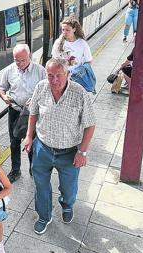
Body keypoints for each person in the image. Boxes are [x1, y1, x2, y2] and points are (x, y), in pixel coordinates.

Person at [23, 58, 96, 235]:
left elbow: (90, 124)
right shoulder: (41, 87)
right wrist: (28, 136)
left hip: (70, 152)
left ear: (67, 74)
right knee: (40, 186)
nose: (54, 80)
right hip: (43, 148)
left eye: (58, 75)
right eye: (50, 75)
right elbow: (33, 113)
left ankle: (67, 204)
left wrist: (82, 151)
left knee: (69, 189)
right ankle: (44, 216)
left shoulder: (79, 93)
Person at [0, 43, 46, 182]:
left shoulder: (40, 71)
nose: (19, 64)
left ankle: (33, 168)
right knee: (14, 142)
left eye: (22, 60)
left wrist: (36, 99)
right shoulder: (9, 70)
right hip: (15, 111)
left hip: (33, 113)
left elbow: (47, 90)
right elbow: (1, 88)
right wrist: (4, 96)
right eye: (16, 60)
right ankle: (15, 170)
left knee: (32, 141)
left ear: (30, 56)